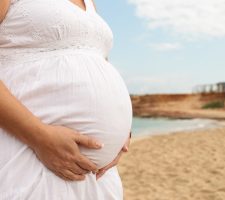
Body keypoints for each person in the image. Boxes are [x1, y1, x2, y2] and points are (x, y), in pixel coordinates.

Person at [0, 0, 132, 199]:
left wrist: (122, 129)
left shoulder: (90, 3)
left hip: (98, 174)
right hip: (30, 150)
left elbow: (98, 60)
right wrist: (39, 137)